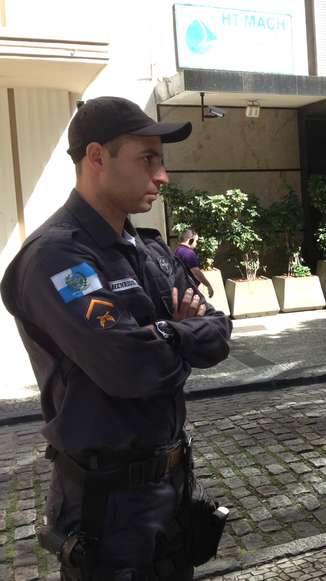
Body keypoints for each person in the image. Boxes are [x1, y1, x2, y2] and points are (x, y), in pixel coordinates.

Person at [0, 96, 232, 580]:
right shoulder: (57, 259)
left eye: (161, 161)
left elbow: (218, 332)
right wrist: (179, 330)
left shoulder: (147, 248)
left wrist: (164, 334)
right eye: (148, 159)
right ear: (97, 158)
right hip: (105, 505)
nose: (162, 176)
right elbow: (130, 368)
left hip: (170, 491)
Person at [175, 229, 214, 297]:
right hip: (189, 290)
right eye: (196, 241)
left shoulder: (177, 250)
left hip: (181, 289)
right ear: (190, 240)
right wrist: (208, 285)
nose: (196, 243)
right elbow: (196, 272)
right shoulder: (189, 253)